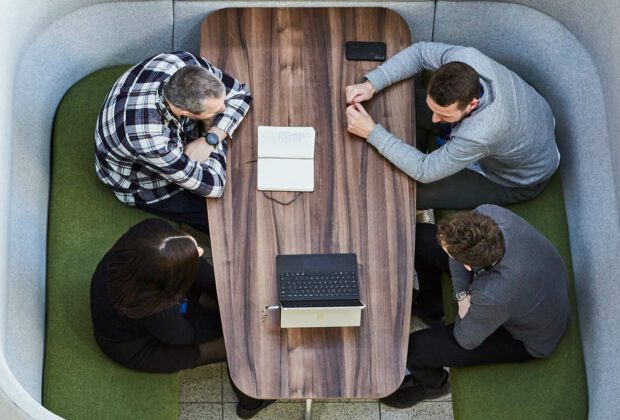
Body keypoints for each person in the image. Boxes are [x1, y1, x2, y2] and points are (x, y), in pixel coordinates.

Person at [381, 205, 570, 408]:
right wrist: (462, 296)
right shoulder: (488, 213)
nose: (443, 246)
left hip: (529, 337)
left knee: (415, 350)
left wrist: (469, 304)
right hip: (528, 289)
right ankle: (431, 308)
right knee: (418, 238)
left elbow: (466, 339)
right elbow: (455, 259)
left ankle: (433, 385)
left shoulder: (493, 294)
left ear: (470, 266)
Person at [90, 219, 272, 418]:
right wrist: (236, 323)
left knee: (222, 301)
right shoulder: (151, 309)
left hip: (158, 305)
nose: (201, 250)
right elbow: (186, 336)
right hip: (138, 346)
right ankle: (251, 404)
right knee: (239, 344)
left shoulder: (151, 234)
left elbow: (198, 269)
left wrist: (230, 298)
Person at [345, 42, 559, 210]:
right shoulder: (465, 58)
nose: (435, 118)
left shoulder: (482, 131)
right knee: (398, 103)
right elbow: (419, 53)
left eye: (443, 114)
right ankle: (431, 133)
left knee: (406, 192)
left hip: (518, 178)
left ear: (472, 103)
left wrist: (372, 132)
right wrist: (371, 84)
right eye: (435, 109)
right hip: (527, 121)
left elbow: (424, 170)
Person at [95, 51, 252, 233]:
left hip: (167, 138)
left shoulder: (181, 62)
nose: (224, 108)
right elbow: (214, 186)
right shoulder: (150, 139)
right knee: (232, 220)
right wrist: (216, 135)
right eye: (215, 110)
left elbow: (241, 94)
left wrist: (212, 136)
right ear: (186, 113)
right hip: (140, 182)